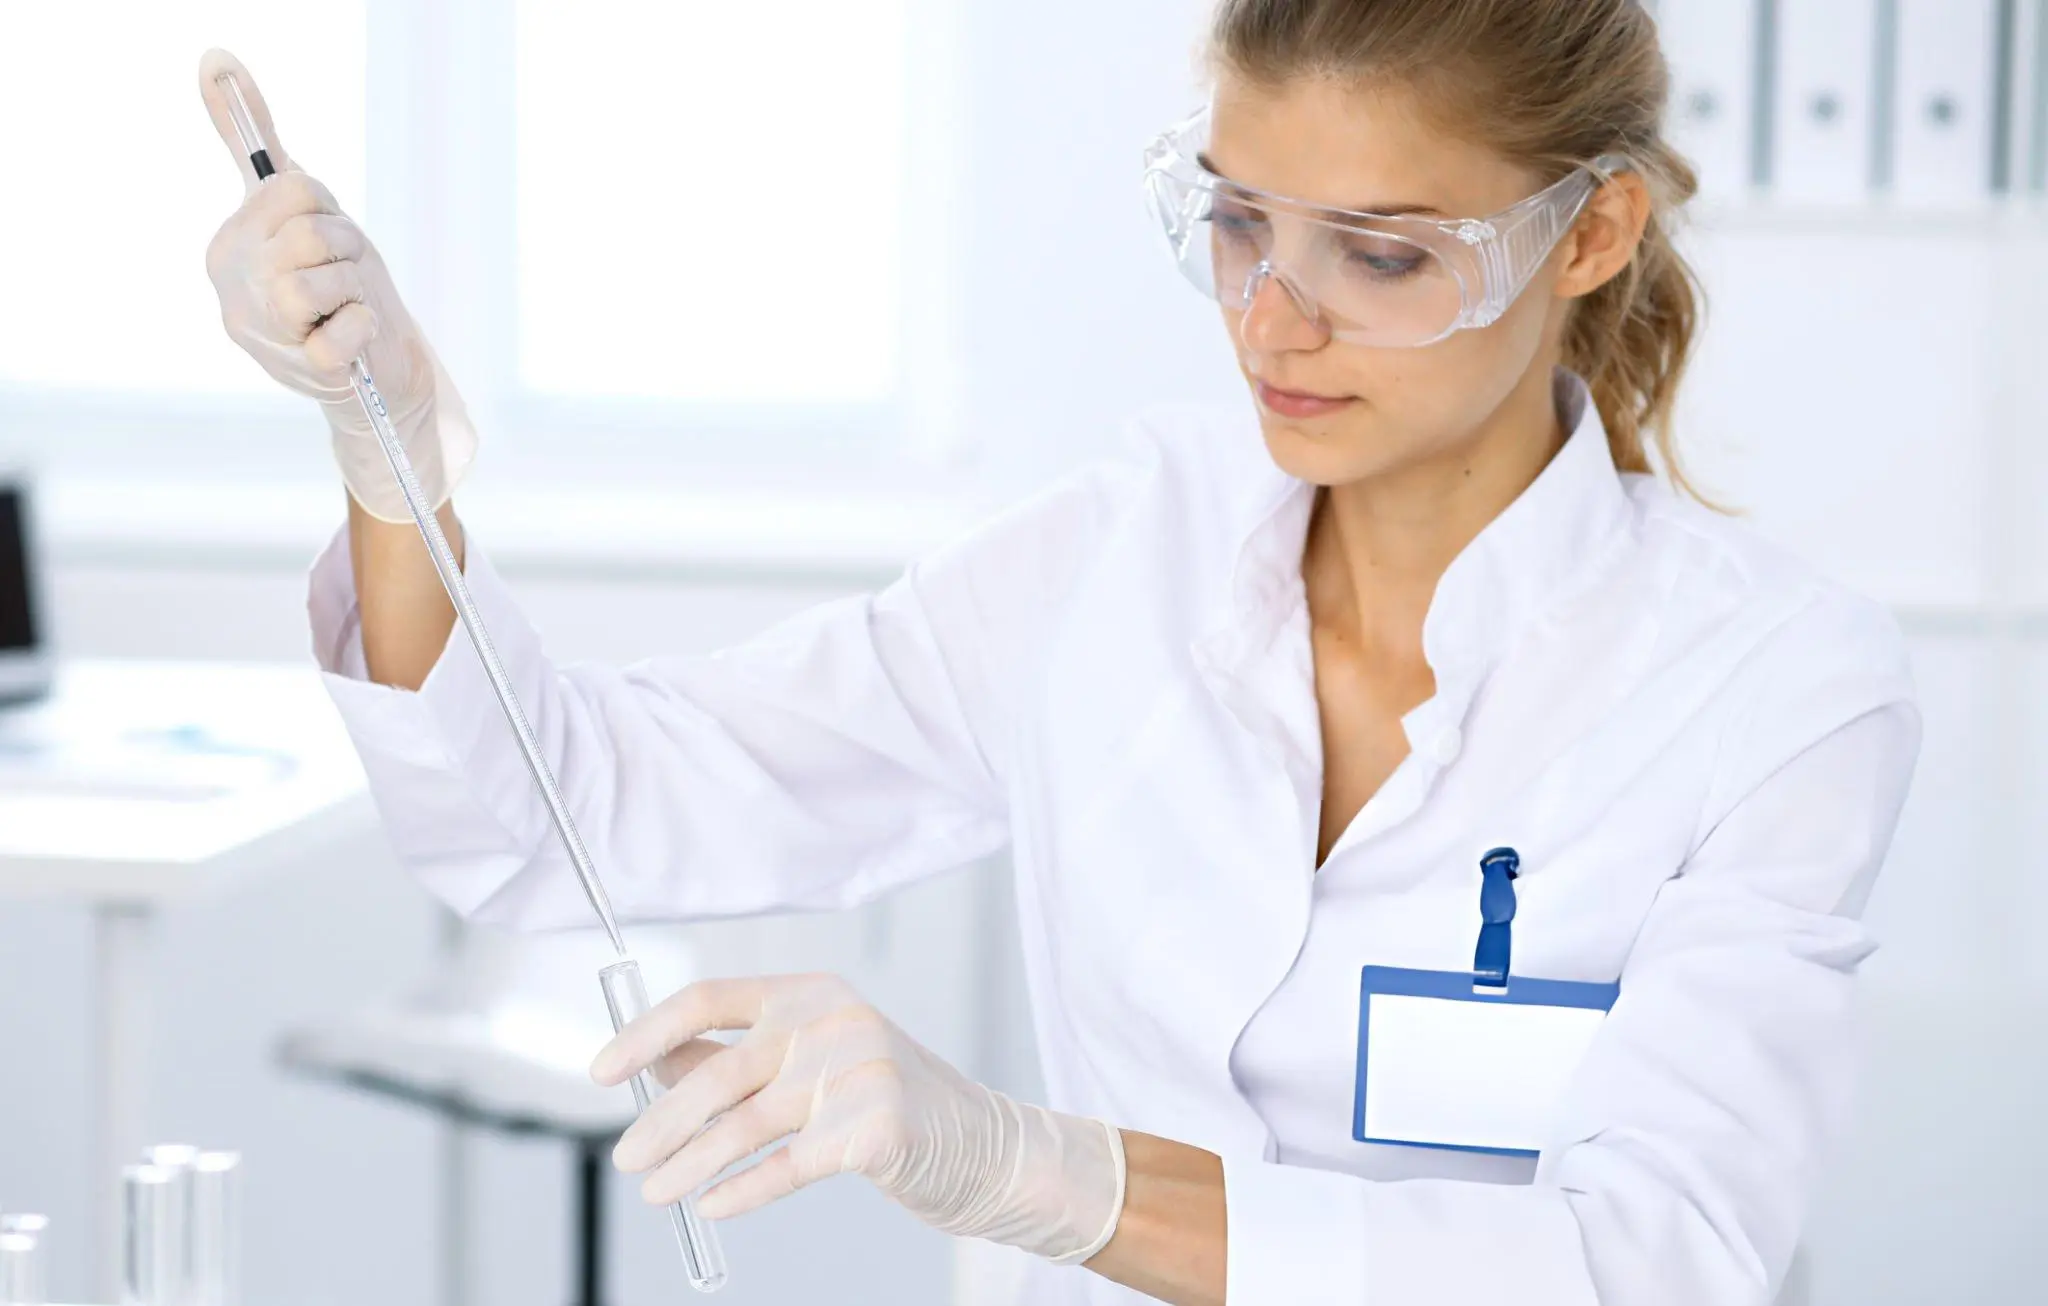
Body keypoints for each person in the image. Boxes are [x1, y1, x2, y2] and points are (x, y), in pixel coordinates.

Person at [199, 0, 1919, 1302]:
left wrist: (1041, 1172)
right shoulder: (1115, 561)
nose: (1271, 318)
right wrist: (391, 455)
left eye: (1382, 253)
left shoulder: (1774, 688)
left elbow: (1652, 1261)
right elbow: (556, 812)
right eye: (1238, 223)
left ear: (1591, 235)